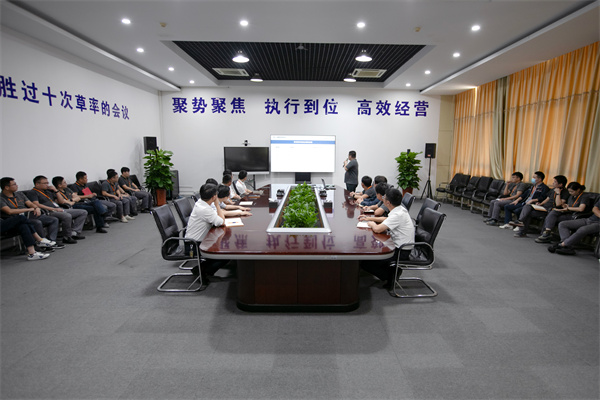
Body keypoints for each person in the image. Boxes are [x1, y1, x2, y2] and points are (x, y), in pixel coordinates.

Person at [360, 187, 415, 290]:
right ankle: (391, 272)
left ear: (388, 202)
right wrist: (369, 218)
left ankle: (391, 276)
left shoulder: (397, 214)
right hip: (399, 246)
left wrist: (371, 223)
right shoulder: (399, 209)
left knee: (365, 262)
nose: (383, 199)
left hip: (401, 251)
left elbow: (377, 229)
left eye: (384, 197)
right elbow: (387, 219)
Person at [0, 177, 62, 249]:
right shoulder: (1, 198)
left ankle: (51, 241)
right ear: (7, 187)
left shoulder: (19, 194)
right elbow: (9, 211)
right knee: (37, 222)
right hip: (15, 219)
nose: (17, 186)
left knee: (53, 219)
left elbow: (30, 203)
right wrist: (28, 209)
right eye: (14, 184)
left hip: (29, 215)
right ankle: (41, 242)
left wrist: (36, 208)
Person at [185, 183, 229, 283]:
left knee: (222, 247)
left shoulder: (201, 203)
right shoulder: (205, 209)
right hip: (193, 245)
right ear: (214, 197)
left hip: (197, 240)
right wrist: (217, 204)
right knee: (225, 254)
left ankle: (201, 268)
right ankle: (203, 272)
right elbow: (221, 222)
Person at [28, 175, 87, 244]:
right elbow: (36, 204)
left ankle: (74, 233)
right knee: (67, 216)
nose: (47, 185)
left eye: (47, 183)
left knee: (83, 212)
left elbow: (61, 201)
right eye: (45, 183)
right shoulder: (33, 192)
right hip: (48, 211)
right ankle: (67, 237)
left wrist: (56, 191)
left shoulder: (48, 191)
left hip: (59, 208)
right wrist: (53, 209)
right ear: (37, 184)